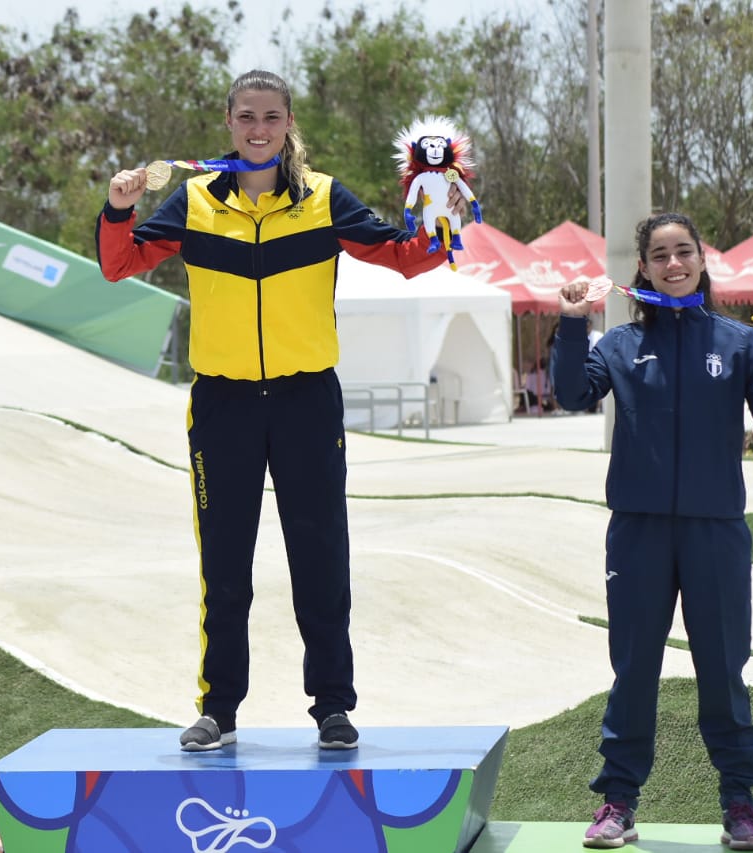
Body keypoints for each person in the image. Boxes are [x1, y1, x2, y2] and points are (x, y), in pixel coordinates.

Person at [96, 69, 464, 752]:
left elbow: (408, 258)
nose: (259, 129)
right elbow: (119, 265)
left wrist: (440, 206)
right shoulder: (195, 200)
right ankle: (219, 707)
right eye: (246, 117)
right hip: (223, 403)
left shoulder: (323, 198)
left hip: (305, 401)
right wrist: (119, 209)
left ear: (289, 121)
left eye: (271, 117)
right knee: (225, 564)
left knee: (321, 555)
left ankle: (332, 706)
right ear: (228, 122)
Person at [553, 212, 753, 852]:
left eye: (683, 252)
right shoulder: (619, 345)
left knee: (724, 672)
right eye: (659, 255)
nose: (673, 264)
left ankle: (740, 804)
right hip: (639, 532)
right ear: (643, 267)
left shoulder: (737, 343)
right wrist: (571, 324)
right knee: (634, 671)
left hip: (716, 534)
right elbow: (571, 394)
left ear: (702, 261)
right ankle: (617, 802)